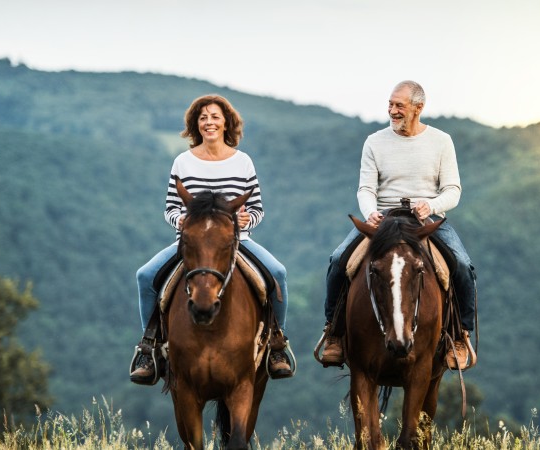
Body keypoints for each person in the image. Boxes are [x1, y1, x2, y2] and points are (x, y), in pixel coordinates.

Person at [130, 94, 293, 384]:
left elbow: (257, 208)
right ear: (196, 125)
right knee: (145, 276)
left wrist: (246, 220)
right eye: (203, 117)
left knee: (277, 273)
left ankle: (277, 344)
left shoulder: (243, 162)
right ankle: (150, 346)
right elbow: (170, 208)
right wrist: (179, 220)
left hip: (236, 241)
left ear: (226, 122)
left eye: (215, 117)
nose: (209, 122)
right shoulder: (183, 162)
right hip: (192, 242)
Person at [319, 80, 477, 370]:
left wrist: (431, 205)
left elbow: (453, 190)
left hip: (424, 219)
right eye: (390, 104)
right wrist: (370, 212)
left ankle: (459, 336)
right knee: (339, 259)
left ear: (418, 107)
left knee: (463, 265)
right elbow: (366, 188)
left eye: (399, 105)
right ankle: (334, 333)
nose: (392, 110)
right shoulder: (374, 141)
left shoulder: (441, 141)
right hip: (383, 218)